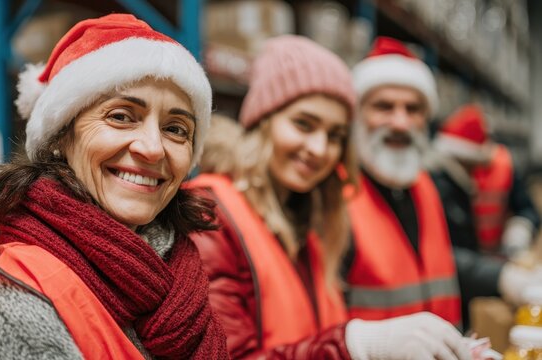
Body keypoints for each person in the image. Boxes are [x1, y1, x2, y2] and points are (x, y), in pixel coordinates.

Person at [0, 14, 228, 359]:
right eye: (120, 116)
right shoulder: (11, 309)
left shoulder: (178, 271)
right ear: (61, 136)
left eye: (176, 129)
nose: (152, 147)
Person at [188, 35, 472, 360]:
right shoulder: (210, 215)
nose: (320, 149)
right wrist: (351, 345)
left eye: (335, 135)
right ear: (263, 121)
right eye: (303, 124)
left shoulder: (308, 215)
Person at [343, 36, 542, 330]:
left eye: (413, 109)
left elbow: (435, 260)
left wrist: (501, 277)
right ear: (357, 115)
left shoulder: (422, 186)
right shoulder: (334, 196)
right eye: (384, 107)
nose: (401, 122)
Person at [431, 104, 540, 258]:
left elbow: (527, 209)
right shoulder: (438, 178)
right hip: (462, 265)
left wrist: (521, 227)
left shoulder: (504, 167)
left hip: (498, 257)